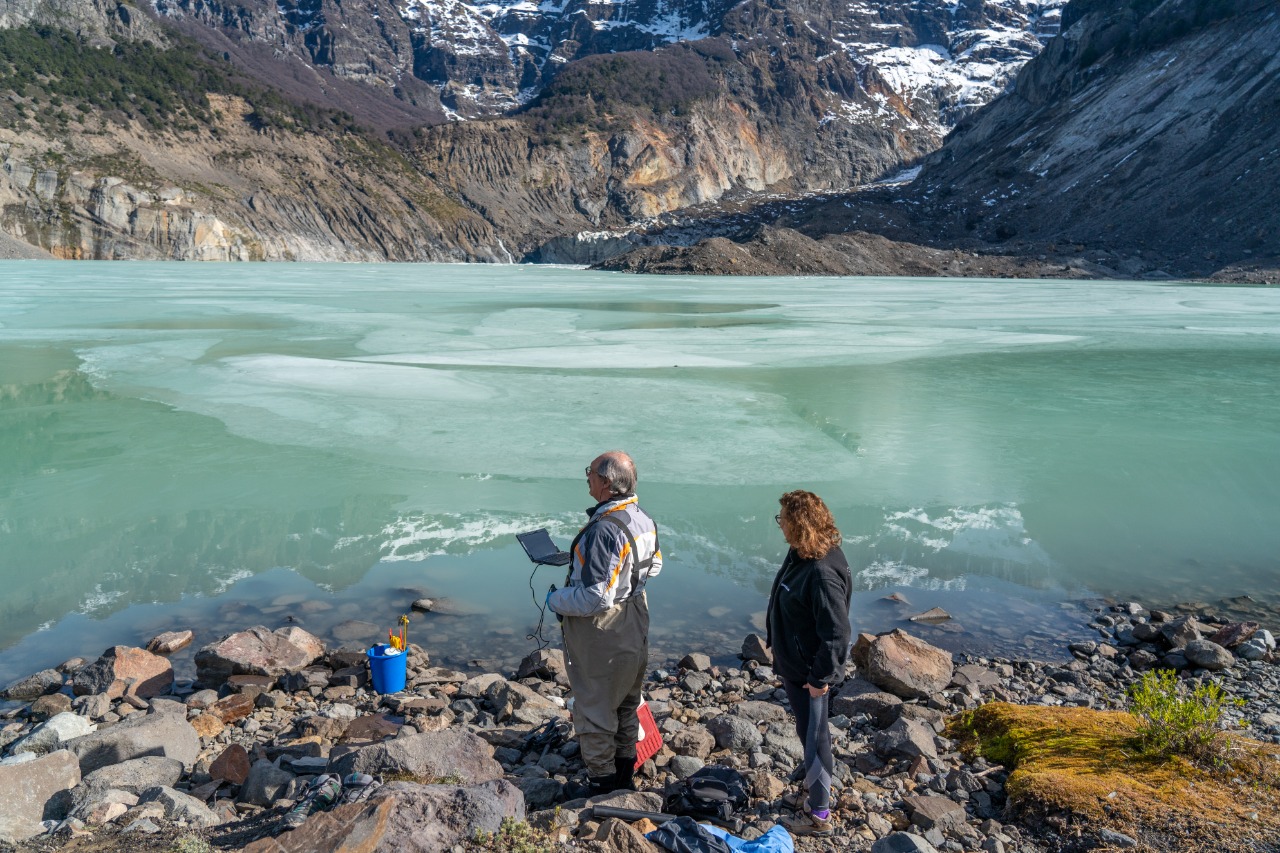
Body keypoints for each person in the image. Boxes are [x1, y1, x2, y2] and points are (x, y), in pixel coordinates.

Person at [547, 450, 662, 796]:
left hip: (605, 630)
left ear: (607, 484)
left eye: (591, 472)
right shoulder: (642, 518)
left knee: (595, 707)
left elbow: (596, 598)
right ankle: (624, 781)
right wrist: (624, 579)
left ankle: (601, 787)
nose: (588, 476)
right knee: (627, 701)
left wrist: (555, 598)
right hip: (636, 617)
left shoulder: (604, 530)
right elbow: (654, 567)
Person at [766, 489, 852, 837]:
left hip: (809, 672)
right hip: (797, 664)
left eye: (782, 518)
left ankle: (818, 815)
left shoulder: (820, 572)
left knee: (815, 739)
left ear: (798, 524)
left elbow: (837, 633)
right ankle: (815, 784)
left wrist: (820, 677)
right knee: (809, 733)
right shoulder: (804, 554)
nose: (779, 525)